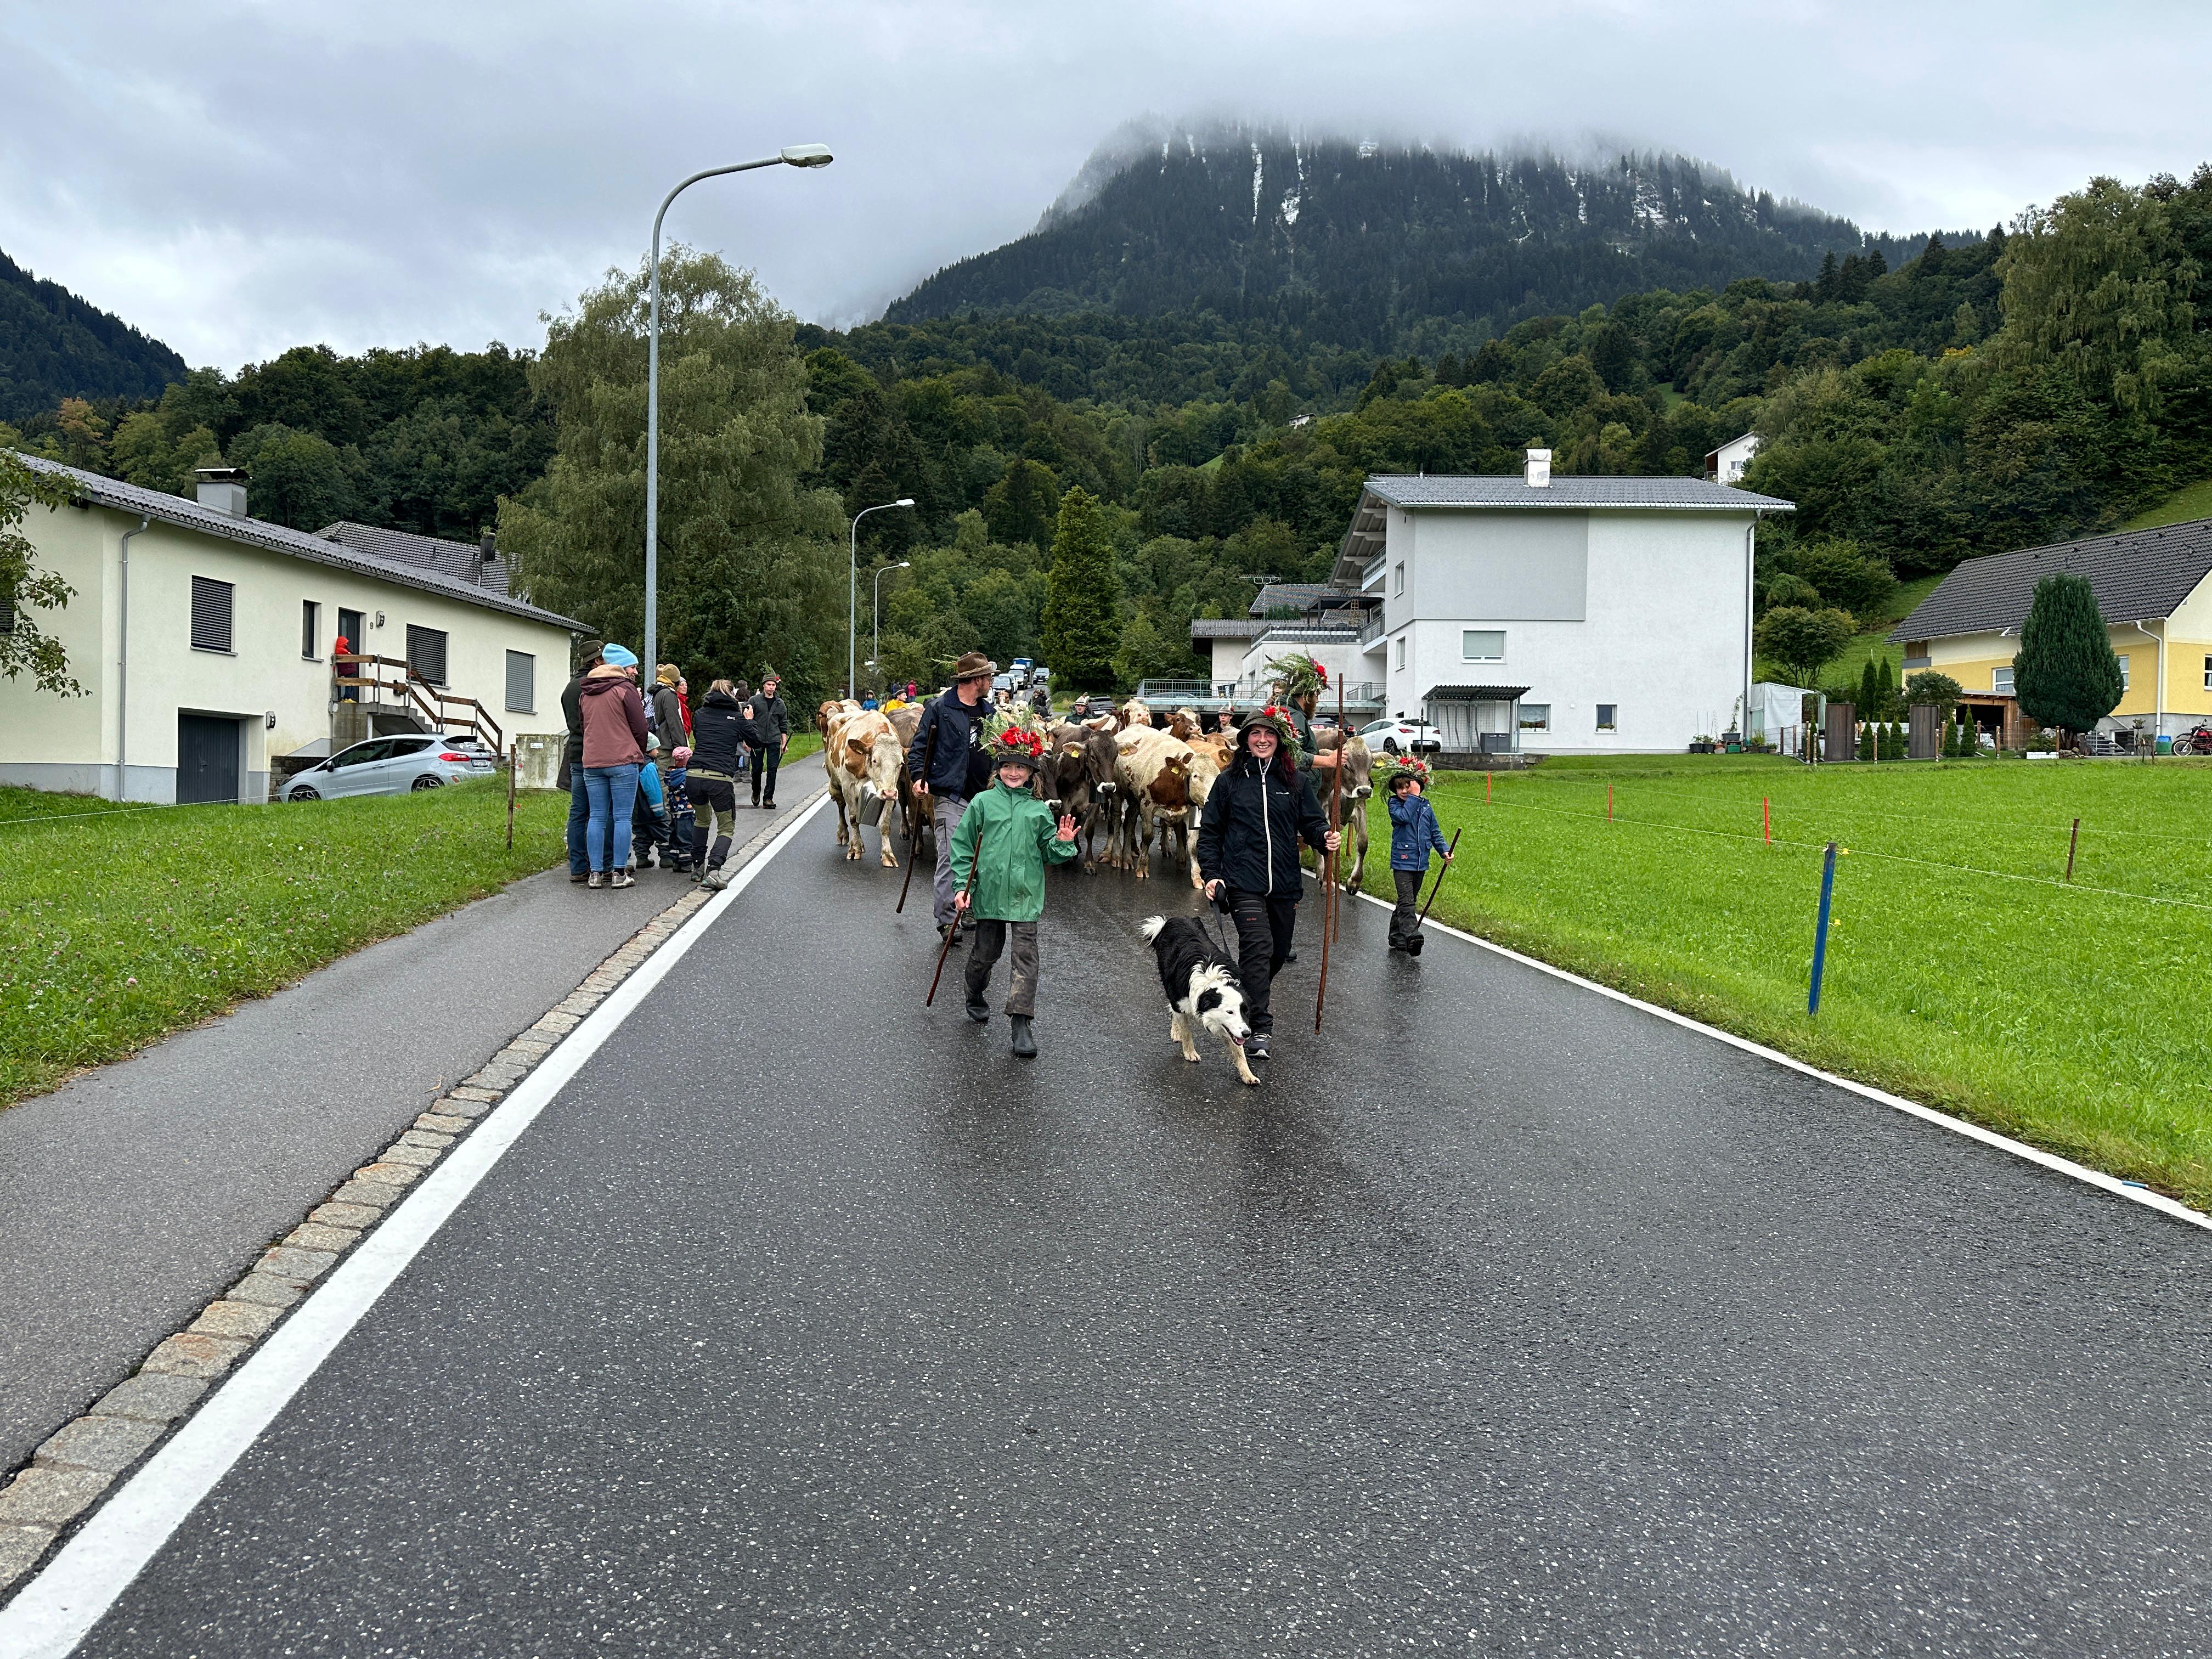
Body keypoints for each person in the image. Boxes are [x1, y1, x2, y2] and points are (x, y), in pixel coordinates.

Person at [1194, 706, 1340, 1062]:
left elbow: (1312, 823)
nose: (1262, 740)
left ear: (1280, 740)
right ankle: (1259, 1025)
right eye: (1255, 734)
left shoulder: (1295, 783)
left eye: (1269, 734)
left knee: (1277, 953)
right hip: (1242, 881)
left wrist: (1325, 837)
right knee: (1258, 948)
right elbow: (1210, 832)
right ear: (1246, 740)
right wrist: (1212, 873)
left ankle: (1245, 993)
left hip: (1285, 882)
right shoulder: (1229, 782)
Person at [951, 727, 1080, 1057]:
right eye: (1007, 766)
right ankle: (974, 990)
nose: (1013, 773)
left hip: (1026, 896)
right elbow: (964, 847)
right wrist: (963, 886)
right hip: (989, 893)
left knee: (1026, 959)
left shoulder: (1038, 810)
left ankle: (1021, 1024)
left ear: (1031, 772)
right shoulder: (982, 803)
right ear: (998, 770)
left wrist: (1062, 843)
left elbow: (1048, 852)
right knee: (985, 955)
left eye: (1020, 767)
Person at [907, 651, 996, 943]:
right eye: (988, 677)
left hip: (983, 798)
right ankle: (947, 920)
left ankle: (966, 908)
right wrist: (918, 777)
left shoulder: (989, 713)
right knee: (950, 857)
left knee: (980, 857)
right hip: (951, 795)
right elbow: (919, 749)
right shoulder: (939, 709)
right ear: (976, 680)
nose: (991, 681)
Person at [579, 644, 651, 888]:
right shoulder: (625, 689)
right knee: (622, 817)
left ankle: (595, 874)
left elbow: (583, 726)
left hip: (592, 762)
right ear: (620, 667)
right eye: (633, 667)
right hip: (623, 761)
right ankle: (619, 873)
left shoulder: (586, 691)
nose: (636, 672)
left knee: (596, 817)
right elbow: (640, 727)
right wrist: (638, 750)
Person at [686, 679, 748, 884]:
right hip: (719, 778)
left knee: (701, 820)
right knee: (726, 827)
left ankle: (697, 867)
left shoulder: (700, 714)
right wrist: (749, 720)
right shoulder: (737, 717)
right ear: (732, 695)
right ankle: (714, 869)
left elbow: (699, 736)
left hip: (694, 775)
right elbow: (755, 740)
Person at [1384, 768, 1452, 955]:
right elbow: (1404, 818)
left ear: (1418, 787)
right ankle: (1412, 936)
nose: (1404, 791)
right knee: (1407, 902)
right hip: (1402, 862)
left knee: (1408, 900)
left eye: (1409, 787)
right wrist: (1414, 797)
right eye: (1400, 788)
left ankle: (1396, 936)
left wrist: (1444, 850)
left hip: (1421, 862)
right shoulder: (1394, 805)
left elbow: (1434, 832)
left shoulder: (1426, 807)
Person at [558, 645, 604, 884]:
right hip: (594, 752)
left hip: (575, 752)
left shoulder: (570, 687)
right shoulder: (592, 685)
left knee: (578, 811)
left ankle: (577, 866)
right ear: (596, 661)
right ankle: (604, 864)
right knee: (600, 811)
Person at [748, 672, 789, 808]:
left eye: (773, 685)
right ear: (764, 685)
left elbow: (783, 725)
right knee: (757, 769)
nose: (771, 687)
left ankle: (768, 798)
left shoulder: (780, 704)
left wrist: (784, 743)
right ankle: (756, 791)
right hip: (757, 739)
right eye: (768, 685)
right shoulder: (754, 701)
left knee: (773, 769)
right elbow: (746, 721)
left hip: (774, 739)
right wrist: (746, 741)